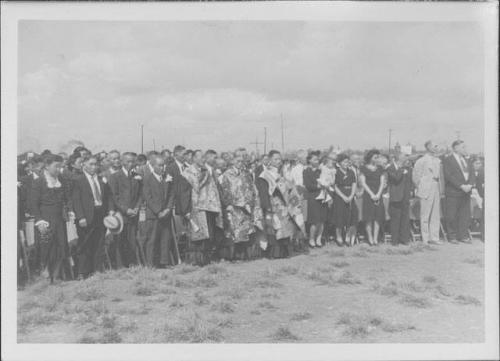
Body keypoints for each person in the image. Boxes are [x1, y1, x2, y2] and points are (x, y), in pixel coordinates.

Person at [31, 154, 73, 283]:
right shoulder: (39, 182)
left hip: (59, 219)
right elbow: (33, 203)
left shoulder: (61, 180)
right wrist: (39, 221)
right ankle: (45, 276)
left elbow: (68, 197)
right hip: (45, 220)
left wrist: (70, 210)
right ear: (47, 166)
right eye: (56, 166)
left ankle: (57, 276)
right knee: (46, 247)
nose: (59, 169)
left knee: (60, 246)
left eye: (60, 166)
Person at [72, 155, 113, 278]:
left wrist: (110, 210)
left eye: (95, 164)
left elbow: (108, 197)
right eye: (91, 164)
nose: (94, 167)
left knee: (99, 243)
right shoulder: (78, 180)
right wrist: (81, 217)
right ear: (84, 165)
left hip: (100, 214)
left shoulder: (101, 180)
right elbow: (76, 200)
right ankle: (83, 272)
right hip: (86, 216)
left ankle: (97, 271)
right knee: (85, 244)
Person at [219, 149, 264, 259]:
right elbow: (224, 191)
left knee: (246, 231)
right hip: (234, 208)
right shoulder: (227, 175)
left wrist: (252, 202)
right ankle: (234, 255)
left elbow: (252, 189)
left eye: (242, 161)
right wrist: (228, 204)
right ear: (233, 161)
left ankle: (245, 254)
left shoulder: (246, 174)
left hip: (247, 208)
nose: (240, 163)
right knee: (235, 232)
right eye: (238, 161)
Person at [256, 150, 296, 258]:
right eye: (276, 159)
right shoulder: (265, 174)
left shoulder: (280, 173)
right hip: (272, 205)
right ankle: (274, 253)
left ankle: (284, 252)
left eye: (279, 159)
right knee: (275, 228)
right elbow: (263, 192)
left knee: (285, 228)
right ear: (269, 160)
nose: (279, 161)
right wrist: (267, 207)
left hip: (283, 205)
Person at [141, 155, 177, 267]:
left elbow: (171, 194)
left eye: (163, 165)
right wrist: (158, 211)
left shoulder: (167, 178)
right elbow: (148, 197)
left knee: (165, 238)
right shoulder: (147, 179)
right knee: (152, 239)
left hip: (166, 214)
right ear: (153, 166)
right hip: (153, 215)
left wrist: (167, 209)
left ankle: (164, 262)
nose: (163, 168)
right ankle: (150, 263)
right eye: (160, 165)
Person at [108, 152, 143, 266]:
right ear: (122, 162)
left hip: (134, 213)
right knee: (120, 240)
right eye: (128, 161)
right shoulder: (115, 177)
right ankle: (120, 265)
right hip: (121, 214)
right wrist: (125, 209)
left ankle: (131, 263)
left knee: (132, 239)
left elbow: (140, 194)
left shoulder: (136, 176)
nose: (131, 164)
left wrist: (137, 207)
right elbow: (115, 196)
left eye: (133, 161)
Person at [442, 140, 476, 244]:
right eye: (463, 147)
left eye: (465, 147)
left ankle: (463, 236)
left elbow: (472, 174)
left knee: (464, 215)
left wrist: (470, 185)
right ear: (456, 148)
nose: (465, 149)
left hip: (466, 192)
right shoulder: (448, 160)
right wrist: (461, 186)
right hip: (453, 192)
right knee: (451, 215)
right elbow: (449, 176)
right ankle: (452, 236)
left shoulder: (467, 160)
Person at [412, 140, 445, 245]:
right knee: (425, 214)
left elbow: (440, 176)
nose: (437, 148)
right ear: (428, 147)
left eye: (437, 146)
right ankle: (425, 239)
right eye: (435, 145)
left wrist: (440, 189)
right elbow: (415, 177)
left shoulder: (438, 161)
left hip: (436, 187)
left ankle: (434, 237)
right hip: (426, 188)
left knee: (435, 214)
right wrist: (421, 186)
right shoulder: (421, 161)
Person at [303, 151, 329, 248]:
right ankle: (311, 239)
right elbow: (308, 186)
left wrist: (326, 185)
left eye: (318, 159)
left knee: (322, 219)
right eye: (315, 159)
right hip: (313, 197)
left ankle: (319, 238)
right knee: (314, 220)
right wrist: (319, 185)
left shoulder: (320, 171)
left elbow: (326, 180)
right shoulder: (306, 171)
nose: (317, 161)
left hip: (323, 196)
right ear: (309, 160)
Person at [360, 149, 386, 245]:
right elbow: (363, 183)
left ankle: (375, 239)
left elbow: (382, 182)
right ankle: (370, 238)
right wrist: (371, 194)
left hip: (378, 194)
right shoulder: (363, 168)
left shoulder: (380, 168)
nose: (377, 159)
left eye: (378, 157)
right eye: (375, 157)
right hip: (368, 195)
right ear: (370, 158)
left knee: (377, 217)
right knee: (369, 218)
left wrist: (378, 194)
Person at [387, 154, 413, 245]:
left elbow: (409, 181)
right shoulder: (390, 168)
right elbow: (396, 178)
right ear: (397, 159)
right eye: (404, 159)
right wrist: (401, 170)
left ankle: (404, 239)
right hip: (396, 197)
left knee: (405, 219)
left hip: (405, 197)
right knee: (395, 219)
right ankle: (395, 241)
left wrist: (411, 192)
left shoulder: (407, 168)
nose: (406, 161)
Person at [333, 153, 358, 246]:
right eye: (344, 162)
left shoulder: (351, 172)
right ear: (339, 163)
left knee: (350, 217)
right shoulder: (336, 172)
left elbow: (354, 184)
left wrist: (351, 196)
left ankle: (347, 237)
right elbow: (335, 187)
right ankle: (338, 236)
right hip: (340, 196)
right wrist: (343, 197)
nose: (346, 163)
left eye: (347, 162)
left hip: (350, 194)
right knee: (339, 217)